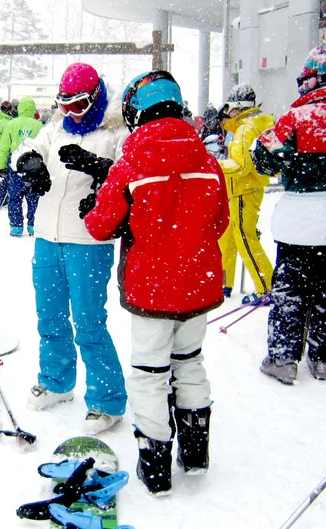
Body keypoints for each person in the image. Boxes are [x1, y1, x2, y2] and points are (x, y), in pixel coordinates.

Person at [83, 70, 230, 496]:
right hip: (198, 286)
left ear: (137, 111)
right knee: (190, 363)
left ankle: (156, 467)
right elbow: (218, 222)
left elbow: (99, 225)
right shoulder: (207, 161)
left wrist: (101, 211)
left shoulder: (131, 164)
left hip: (151, 289)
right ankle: (196, 454)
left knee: (149, 374)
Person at [9, 62, 128, 436]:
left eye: (78, 105)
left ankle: (107, 400)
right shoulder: (57, 127)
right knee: (50, 316)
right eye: (64, 105)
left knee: (90, 323)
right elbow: (27, 147)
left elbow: (129, 174)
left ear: (95, 98)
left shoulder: (116, 132)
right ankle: (57, 380)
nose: (71, 113)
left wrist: (99, 167)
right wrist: (29, 162)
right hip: (47, 236)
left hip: (88, 243)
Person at [252, 45, 326, 385]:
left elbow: (263, 157)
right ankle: (323, 358)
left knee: (290, 295)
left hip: (297, 221)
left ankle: (283, 358)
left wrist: (290, 163)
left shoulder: (295, 118)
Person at [217, 84, 275, 302]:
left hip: (244, 189)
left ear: (238, 108)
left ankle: (266, 286)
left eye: (229, 107)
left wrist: (215, 165)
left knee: (244, 237)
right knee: (228, 238)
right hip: (240, 190)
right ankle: (223, 283)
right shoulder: (249, 125)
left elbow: (241, 165)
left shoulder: (246, 127)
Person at [0, 96, 43, 236]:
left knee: (15, 196)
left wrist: (2, 166)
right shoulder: (39, 125)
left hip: (16, 165)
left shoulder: (11, 124)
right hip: (34, 166)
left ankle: (16, 227)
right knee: (34, 196)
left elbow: (3, 147)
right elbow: (45, 146)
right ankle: (32, 224)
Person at [0, 101, 13, 208]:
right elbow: (7, 140)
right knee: (6, 178)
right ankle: (3, 200)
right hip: (4, 152)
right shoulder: (5, 122)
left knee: (3, 177)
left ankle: (1, 199)